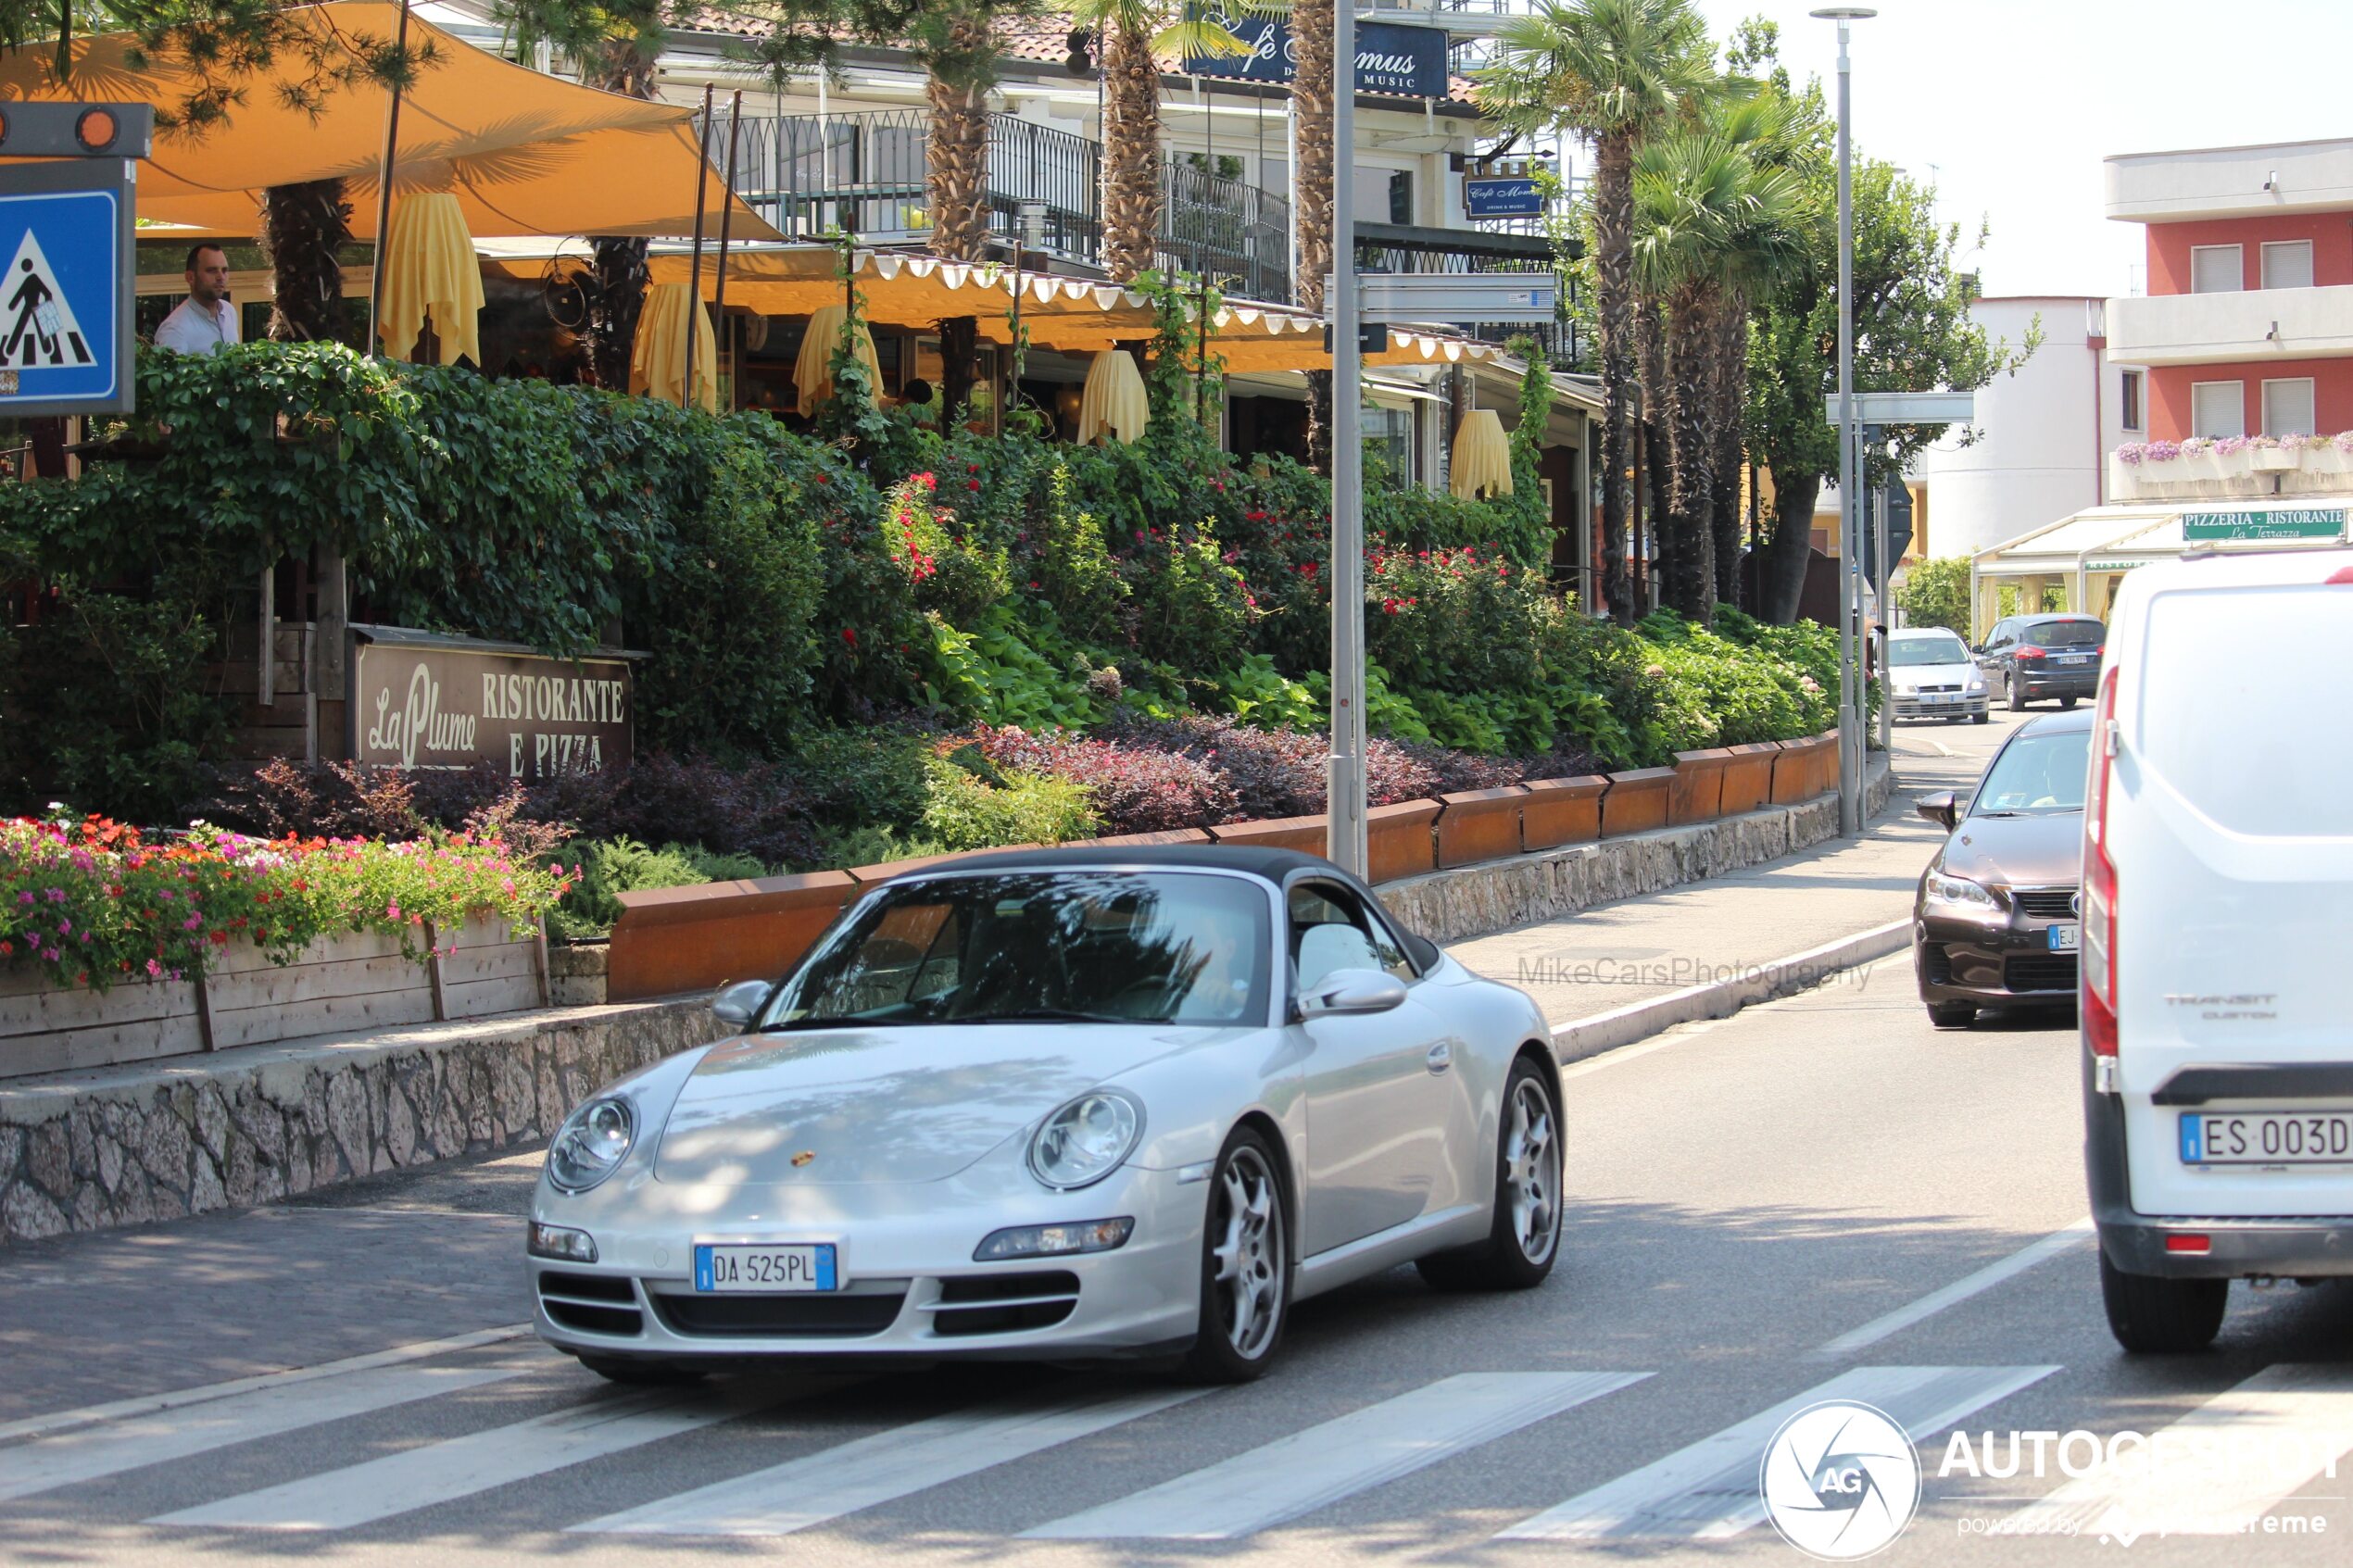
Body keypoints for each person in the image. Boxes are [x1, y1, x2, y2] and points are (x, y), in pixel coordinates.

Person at [153, 245, 238, 355]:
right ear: (190, 277)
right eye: (212, 270)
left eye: (224, 270)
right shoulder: (175, 329)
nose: (221, 277)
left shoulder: (229, 311)